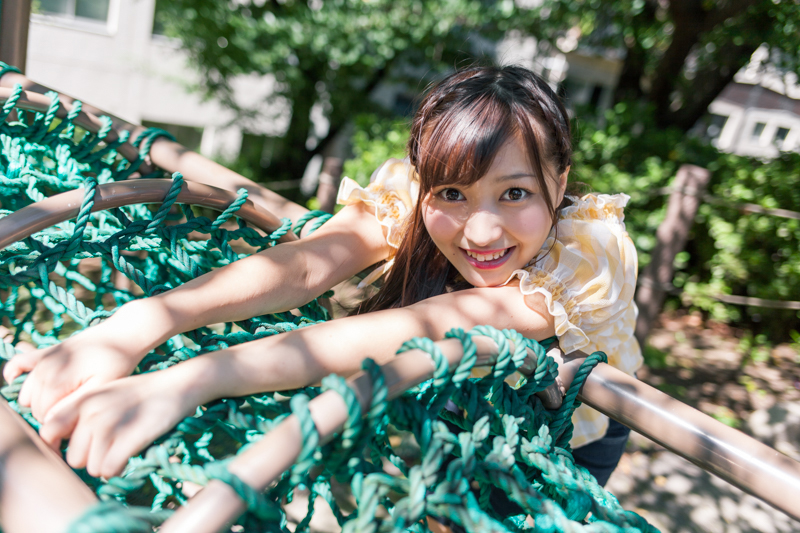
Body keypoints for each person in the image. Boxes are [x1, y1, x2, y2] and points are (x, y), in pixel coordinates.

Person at [1, 65, 641, 485]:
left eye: (515, 193)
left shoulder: (590, 252)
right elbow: (308, 263)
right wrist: (133, 325)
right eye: (452, 193)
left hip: (560, 441)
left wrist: (189, 381)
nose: (481, 231)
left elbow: (432, 323)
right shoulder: (410, 195)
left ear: (559, 179)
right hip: (451, 400)